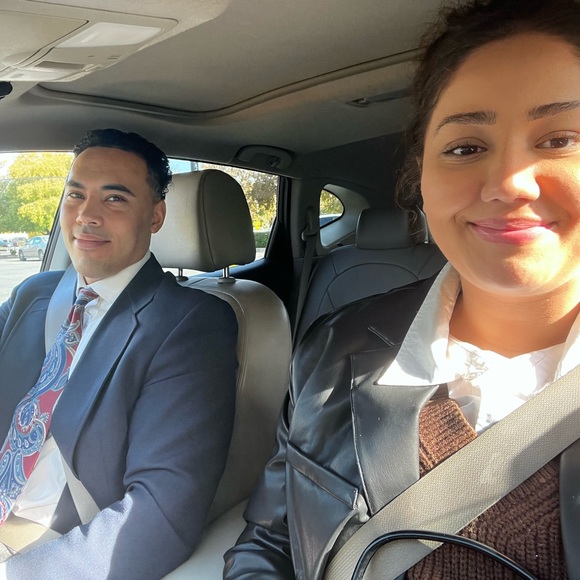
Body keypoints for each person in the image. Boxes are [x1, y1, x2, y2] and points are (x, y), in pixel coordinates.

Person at [223, 0, 580, 577]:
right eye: (465, 148)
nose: (509, 183)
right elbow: (271, 541)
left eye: (560, 139)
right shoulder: (332, 347)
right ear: (422, 176)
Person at [0, 128, 238, 578]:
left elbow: (159, 513)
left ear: (155, 216)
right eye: (76, 195)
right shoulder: (35, 293)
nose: (86, 215)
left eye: (114, 199)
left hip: (50, 543)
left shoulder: (191, 324)